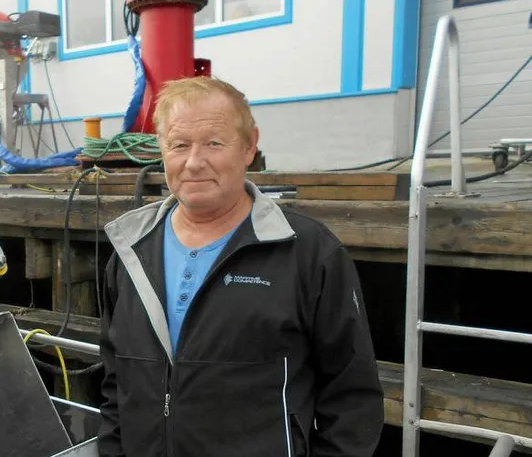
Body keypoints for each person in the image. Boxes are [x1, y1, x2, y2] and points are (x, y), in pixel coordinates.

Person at [98, 76, 384, 457]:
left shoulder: (308, 253)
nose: (194, 162)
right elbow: (115, 385)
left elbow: (352, 398)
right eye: (179, 145)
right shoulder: (130, 251)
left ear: (249, 146)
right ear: (161, 151)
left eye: (214, 143)